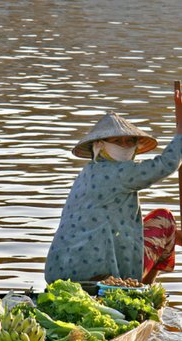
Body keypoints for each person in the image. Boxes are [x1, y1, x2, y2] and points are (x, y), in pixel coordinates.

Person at [46, 82, 182, 285]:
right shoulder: (120, 173)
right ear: (99, 146)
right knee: (164, 220)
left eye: (129, 142)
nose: (125, 146)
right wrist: (180, 130)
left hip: (59, 271)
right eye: (117, 141)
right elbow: (167, 164)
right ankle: (143, 288)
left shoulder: (87, 173)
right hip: (99, 273)